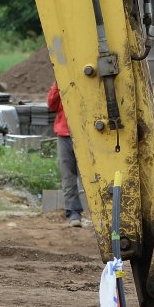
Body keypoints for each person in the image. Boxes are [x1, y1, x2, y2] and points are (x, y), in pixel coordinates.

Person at [46, 81, 88, 227]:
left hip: (86, 135)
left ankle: (99, 213)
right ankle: (73, 214)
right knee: (68, 177)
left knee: (91, 177)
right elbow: (51, 104)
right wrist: (58, 83)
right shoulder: (61, 81)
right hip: (64, 135)